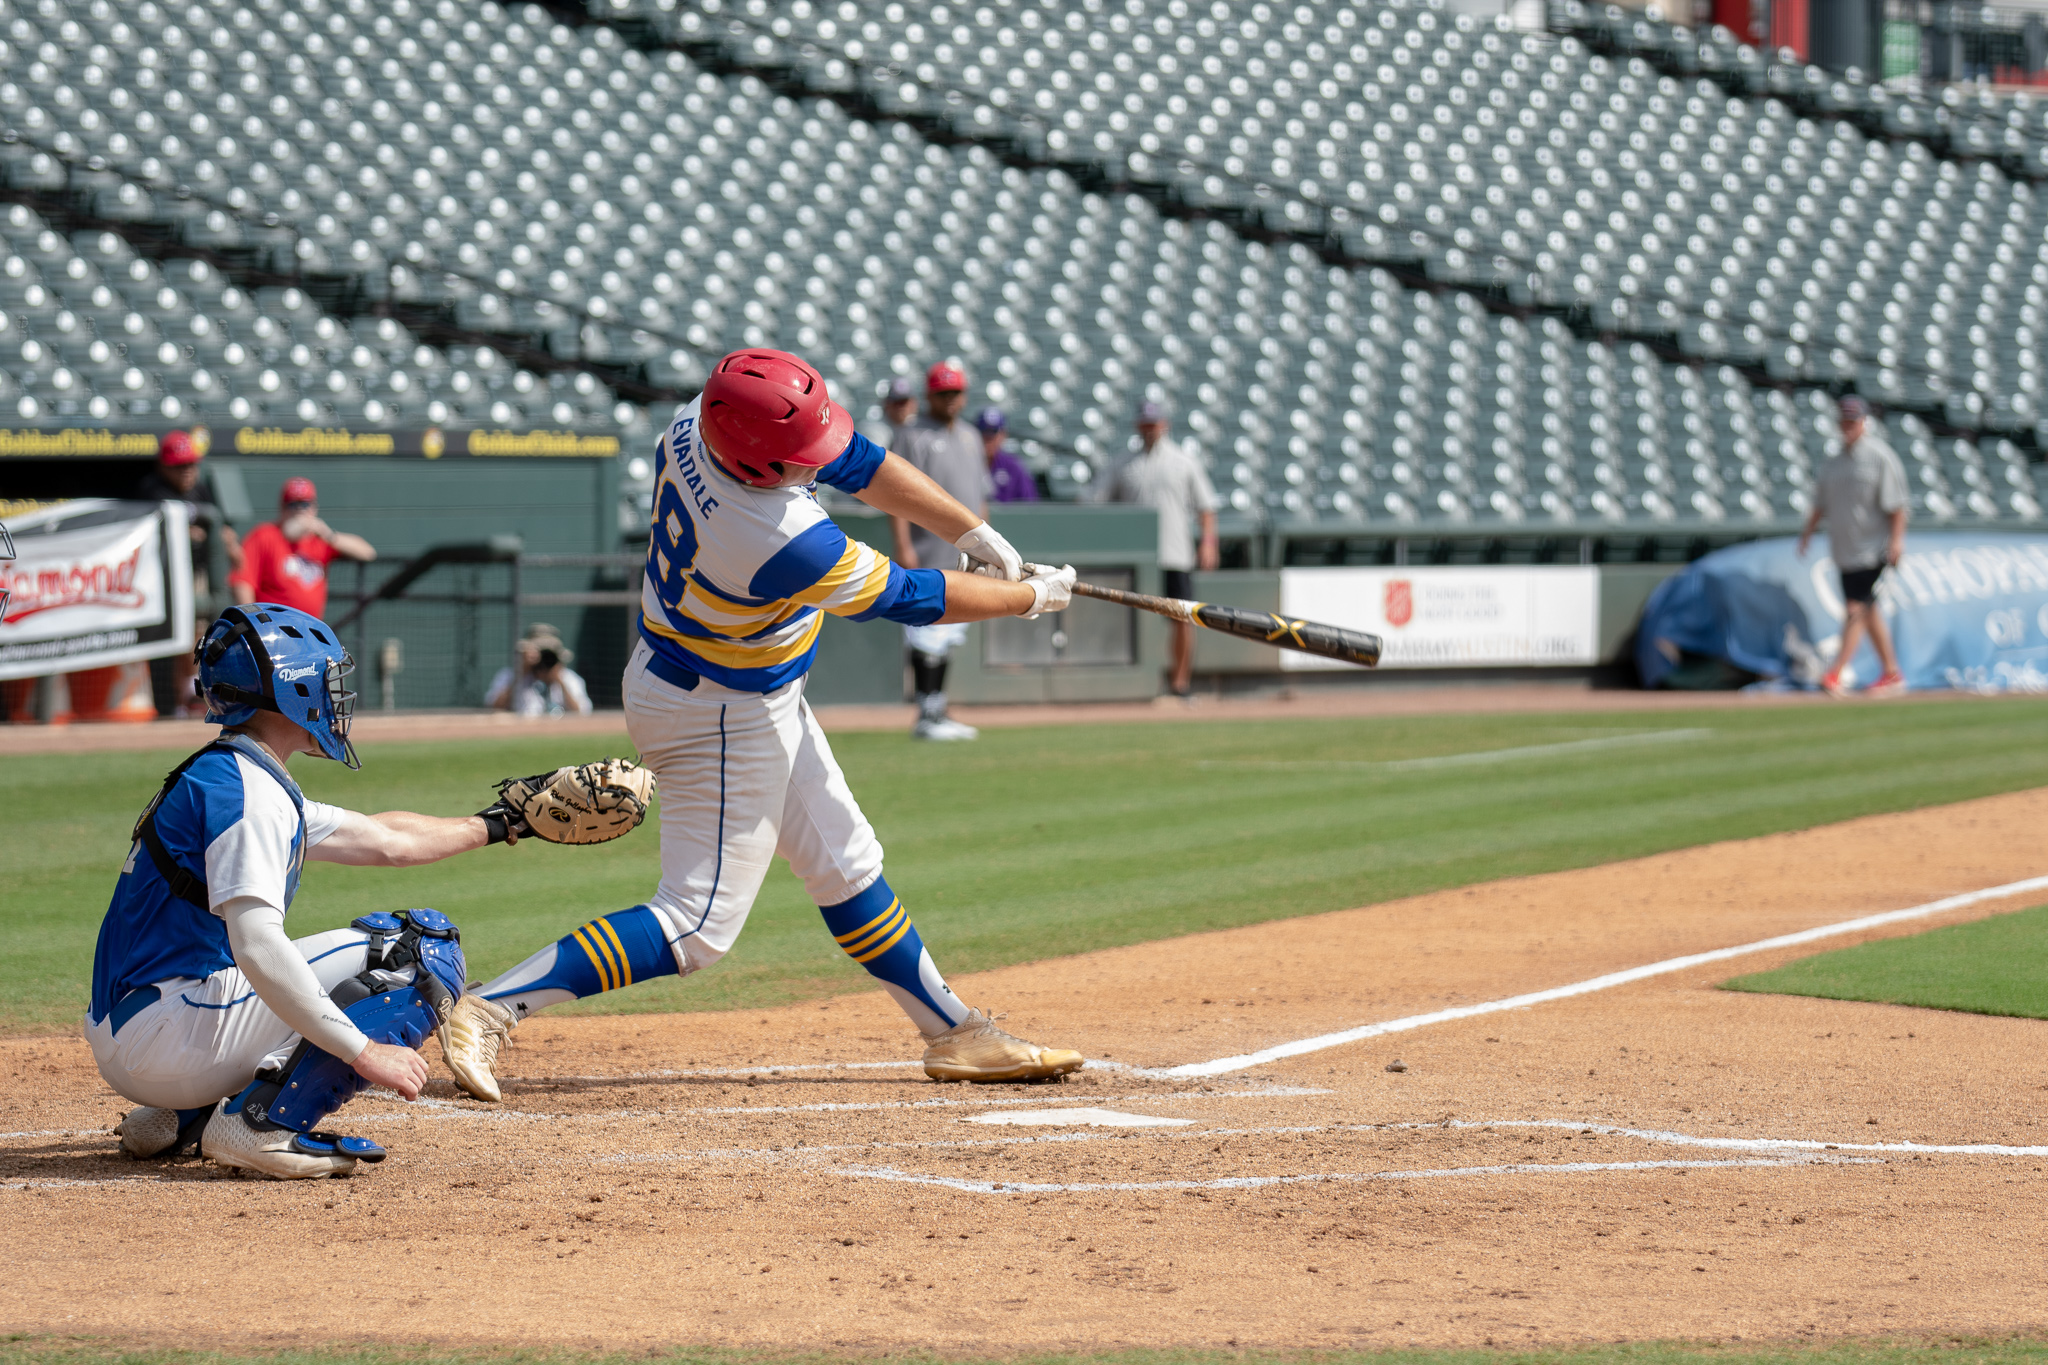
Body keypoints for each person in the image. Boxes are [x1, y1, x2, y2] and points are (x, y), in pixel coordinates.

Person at [434, 348, 1082, 1103]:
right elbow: (909, 595)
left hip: (734, 687)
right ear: (756, 462)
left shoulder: (695, 423)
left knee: (846, 862)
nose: (815, 462)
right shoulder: (779, 536)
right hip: (718, 712)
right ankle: (489, 1007)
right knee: (697, 921)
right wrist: (1028, 599)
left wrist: (975, 532)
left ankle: (954, 1030)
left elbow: (863, 463)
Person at [86, 603, 521, 1180]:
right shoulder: (251, 796)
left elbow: (387, 839)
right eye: (324, 680)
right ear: (290, 691)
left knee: (364, 955)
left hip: (141, 1023)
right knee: (417, 949)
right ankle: (261, 1125)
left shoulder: (231, 773)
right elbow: (258, 945)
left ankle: (184, 1115)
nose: (334, 694)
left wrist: (505, 822)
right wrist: (362, 1052)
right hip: (168, 1032)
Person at [888, 361, 989, 740]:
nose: (950, 399)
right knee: (925, 629)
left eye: (956, 392)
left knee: (947, 633)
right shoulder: (911, 434)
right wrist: (903, 544)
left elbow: (980, 498)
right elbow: (894, 496)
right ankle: (927, 713)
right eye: (943, 392)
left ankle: (938, 709)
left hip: (964, 552)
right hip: (926, 547)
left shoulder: (971, 436)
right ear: (929, 395)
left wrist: (989, 544)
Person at [1100, 401, 1220, 700]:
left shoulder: (1183, 461)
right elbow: (1097, 500)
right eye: (1145, 423)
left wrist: (1208, 542)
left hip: (1174, 552)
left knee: (1182, 618)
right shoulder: (1123, 463)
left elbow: (1206, 508)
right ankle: (1130, 683)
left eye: (1154, 423)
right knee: (1131, 620)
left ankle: (1180, 683)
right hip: (1135, 557)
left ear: (1164, 424)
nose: (1149, 428)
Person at [1797, 395, 1909, 698]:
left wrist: (1897, 541)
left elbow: (1897, 506)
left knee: (1855, 609)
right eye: (1843, 420)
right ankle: (1891, 673)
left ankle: (1835, 673)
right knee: (1868, 612)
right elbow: (1820, 503)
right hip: (1845, 551)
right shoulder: (1833, 462)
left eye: (1852, 420)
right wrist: (1807, 533)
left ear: (1863, 422)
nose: (1847, 426)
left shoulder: (1879, 457)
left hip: (1873, 548)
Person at [134, 430, 241, 717]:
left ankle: (194, 692)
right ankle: (180, 697)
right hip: (162, 578)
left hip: (199, 572)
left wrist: (222, 538)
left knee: (203, 631)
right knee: (176, 636)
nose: (187, 471)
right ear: (164, 466)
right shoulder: (152, 489)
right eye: (180, 465)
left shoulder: (200, 490)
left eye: (191, 464)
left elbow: (215, 529)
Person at [230, 477, 377, 619]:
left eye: (305, 504)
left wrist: (329, 535)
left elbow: (368, 552)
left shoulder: (321, 539)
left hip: (309, 631)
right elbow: (242, 582)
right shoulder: (264, 535)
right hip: (272, 628)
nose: (299, 511)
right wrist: (253, 622)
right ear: (282, 508)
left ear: (315, 508)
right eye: (292, 504)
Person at [485, 623, 594, 717]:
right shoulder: (509, 675)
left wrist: (559, 681)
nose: (542, 660)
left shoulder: (568, 678)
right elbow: (495, 708)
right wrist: (521, 674)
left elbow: (581, 714)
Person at [977, 407, 1038, 504]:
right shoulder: (965, 464)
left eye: (993, 433)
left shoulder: (1013, 467)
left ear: (1003, 435)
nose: (987, 438)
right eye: (983, 432)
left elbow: (1029, 506)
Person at [860, 374, 917, 450]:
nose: (900, 407)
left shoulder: (919, 427)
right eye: (895, 402)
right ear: (886, 404)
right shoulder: (876, 430)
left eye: (903, 402)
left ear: (913, 403)